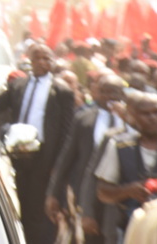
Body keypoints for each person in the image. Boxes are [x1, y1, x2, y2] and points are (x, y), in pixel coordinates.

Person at [0, 44, 75, 243]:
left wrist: (58, 164)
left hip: (44, 155)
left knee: (38, 206)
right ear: (30, 60)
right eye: (38, 58)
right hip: (19, 153)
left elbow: (67, 131)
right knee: (19, 201)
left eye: (47, 58)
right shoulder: (18, 85)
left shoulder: (61, 90)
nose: (43, 62)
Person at [45, 74, 126, 244]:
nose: (109, 96)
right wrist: (53, 193)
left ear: (122, 93)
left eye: (114, 92)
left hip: (120, 194)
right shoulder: (84, 119)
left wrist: (126, 117)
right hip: (88, 193)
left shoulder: (131, 120)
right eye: (104, 91)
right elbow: (67, 158)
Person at [95, 93, 157, 230]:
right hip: (130, 226)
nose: (152, 118)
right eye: (145, 114)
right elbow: (103, 192)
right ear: (133, 116)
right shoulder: (120, 146)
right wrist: (128, 191)